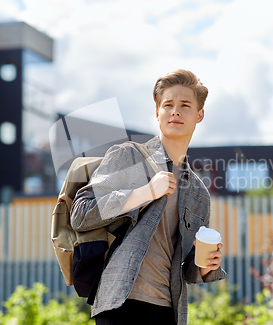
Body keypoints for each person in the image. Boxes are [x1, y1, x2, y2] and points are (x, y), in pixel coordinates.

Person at [70, 69, 227, 325]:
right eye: (168, 105)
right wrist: (145, 193)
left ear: (199, 115)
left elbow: (187, 266)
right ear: (157, 112)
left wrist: (204, 265)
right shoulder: (130, 156)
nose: (175, 111)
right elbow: (81, 213)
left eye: (185, 105)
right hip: (120, 303)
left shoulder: (198, 193)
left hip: (168, 310)